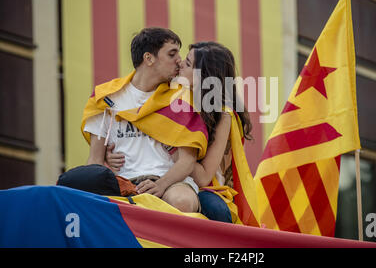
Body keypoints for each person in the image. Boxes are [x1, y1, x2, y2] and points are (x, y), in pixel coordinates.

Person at [106, 42, 253, 223]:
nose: (180, 63)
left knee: (217, 211)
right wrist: (109, 154)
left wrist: (174, 144)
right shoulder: (170, 95)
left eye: (188, 64)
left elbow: (205, 177)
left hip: (204, 188)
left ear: (203, 76)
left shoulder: (222, 115)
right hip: (166, 178)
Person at [79, 27, 204, 213]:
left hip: (170, 182)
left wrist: (161, 185)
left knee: (182, 202)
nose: (179, 60)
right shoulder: (106, 97)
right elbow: (95, 160)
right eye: (172, 54)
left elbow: (187, 161)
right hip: (122, 183)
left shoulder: (182, 97)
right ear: (149, 58)